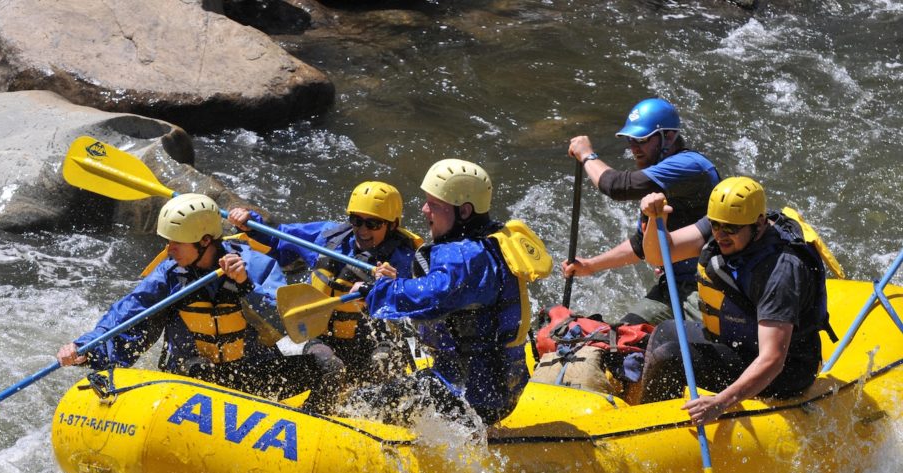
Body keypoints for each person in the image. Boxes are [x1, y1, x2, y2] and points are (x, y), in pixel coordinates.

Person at [57, 193, 325, 409]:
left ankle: (310, 436)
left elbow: (286, 324)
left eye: (176, 243)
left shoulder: (257, 266)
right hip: (192, 377)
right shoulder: (169, 275)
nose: (168, 250)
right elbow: (126, 315)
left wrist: (246, 287)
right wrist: (86, 348)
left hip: (250, 374)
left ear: (205, 241)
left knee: (326, 365)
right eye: (168, 241)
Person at [348, 159, 540, 427]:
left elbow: (434, 297)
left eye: (434, 205)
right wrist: (397, 282)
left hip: (473, 395)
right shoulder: (488, 242)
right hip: (490, 385)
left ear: (464, 211)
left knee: (359, 404)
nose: (425, 209)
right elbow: (449, 292)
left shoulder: (465, 256)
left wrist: (379, 292)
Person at [637, 177, 832, 425]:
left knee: (671, 357)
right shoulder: (730, 222)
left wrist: (720, 403)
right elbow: (658, 254)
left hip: (786, 370)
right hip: (741, 343)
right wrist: (655, 220)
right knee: (666, 331)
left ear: (759, 223)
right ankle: (656, 412)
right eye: (715, 225)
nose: (720, 234)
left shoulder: (780, 272)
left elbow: (773, 360)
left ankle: (655, 432)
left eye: (730, 229)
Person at [226, 181, 421, 405]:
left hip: (371, 340)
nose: (363, 230)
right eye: (356, 221)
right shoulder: (327, 238)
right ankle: (315, 417)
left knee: (385, 364)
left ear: (392, 225)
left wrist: (390, 287)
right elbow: (279, 239)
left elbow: (418, 305)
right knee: (329, 365)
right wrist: (250, 224)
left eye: (373, 223)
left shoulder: (405, 260)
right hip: (319, 334)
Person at [565, 97, 720, 325]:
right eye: (630, 140)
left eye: (642, 139)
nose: (634, 148)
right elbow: (641, 245)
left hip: (707, 286)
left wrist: (588, 156)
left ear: (669, 136)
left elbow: (618, 186)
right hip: (672, 286)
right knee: (619, 339)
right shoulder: (659, 181)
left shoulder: (690, 166)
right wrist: (590, 265)